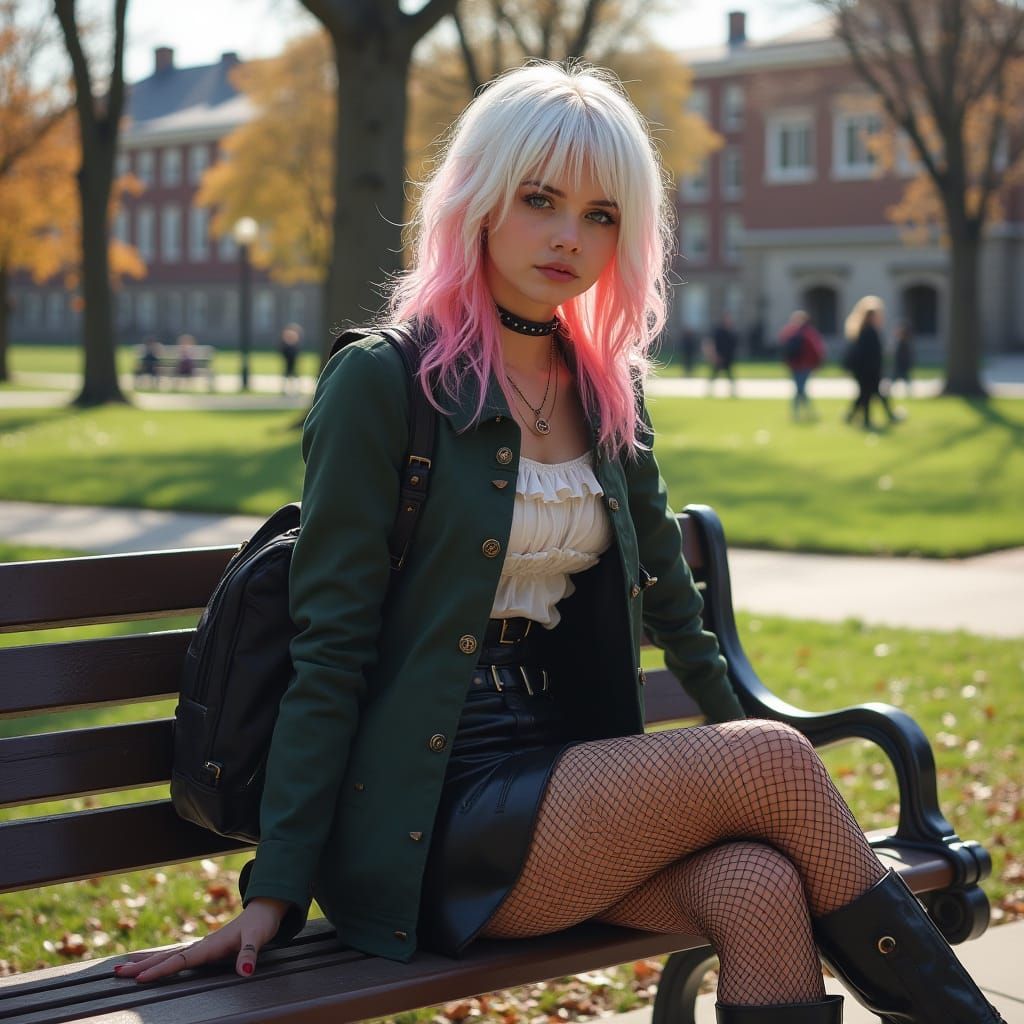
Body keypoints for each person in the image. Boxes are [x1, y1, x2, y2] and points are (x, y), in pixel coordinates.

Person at [114, 63, 1002, 1023]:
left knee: (757, 888)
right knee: (773, 762)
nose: (570, 236)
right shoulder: (383, 384)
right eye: (540, 200)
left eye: (602, 214)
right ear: (481, 199)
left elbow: (677, 613)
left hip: (570, 795)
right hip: (428, 811)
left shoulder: (605, 389)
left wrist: (743, 760)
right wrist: (275, 892)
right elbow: (330, 649)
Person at [842, 297, 901, 429]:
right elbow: (870, 355)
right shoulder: (868, 332)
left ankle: (854, 417)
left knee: (866, 394)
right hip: (868, 370)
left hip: (865, 370)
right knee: (869, 394)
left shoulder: (864, 331)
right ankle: (868, 419)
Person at [778, 310, 825, 421]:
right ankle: (803, 412)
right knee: (801, 389)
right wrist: (817, 363)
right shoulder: (808, 332)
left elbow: (783, 348)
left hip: (797, 365)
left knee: (800, 389)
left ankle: (800, 412)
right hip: (803, 365)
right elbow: (816, 349)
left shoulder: (790, 332)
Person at [708, 311, 738, 396]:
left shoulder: (731, 331)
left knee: (730, 376)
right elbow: (715, 344)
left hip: (728, 358)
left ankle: (733, 392)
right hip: (720, 357)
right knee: (714, 375)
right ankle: (709, 391)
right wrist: (715, 355)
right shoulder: (719, 332)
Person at [891, 319, 914, 398]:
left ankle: (909, 392)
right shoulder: (901, 342)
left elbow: (906, 355)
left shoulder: (904, 343)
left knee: (904, 378)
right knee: (896, 378)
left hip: (903, 364)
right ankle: (892, 390)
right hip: (900, 364)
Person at [279, 323, 303, 394]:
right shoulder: (287, 345)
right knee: (288, 374)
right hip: (289, 361)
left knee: (293, 375)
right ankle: (285, 389)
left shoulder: (292, 345)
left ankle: (295, 390)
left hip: (293, 361)